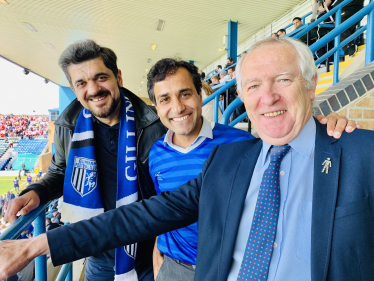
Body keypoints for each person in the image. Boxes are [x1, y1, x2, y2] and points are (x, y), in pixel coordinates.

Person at [0, 37, 362, 281]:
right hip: (155, 261)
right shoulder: (227, 161)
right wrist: (37, 240)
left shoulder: (357, 152)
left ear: (311, 84)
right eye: (253, 86)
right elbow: (149, 212)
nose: (267, 97)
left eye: (283, 80)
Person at [4, 39, 166, 281]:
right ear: (74, 88)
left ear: (118, 77)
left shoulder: (155, 125)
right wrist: (36, 192)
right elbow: (61, 172)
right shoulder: (68, 127)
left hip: (149, 253)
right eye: (81, 83)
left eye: (101, 77)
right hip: (97, 254)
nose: (93, 89)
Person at [146, 58, 254, 280]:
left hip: (228, 268)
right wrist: (158, 247)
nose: (177, 107)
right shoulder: (156, 153)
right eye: (165, 99)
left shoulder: (241, 142)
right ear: (156, 108)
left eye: (185, 94)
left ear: (199, 95)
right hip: (175, 268)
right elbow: (162, 206)